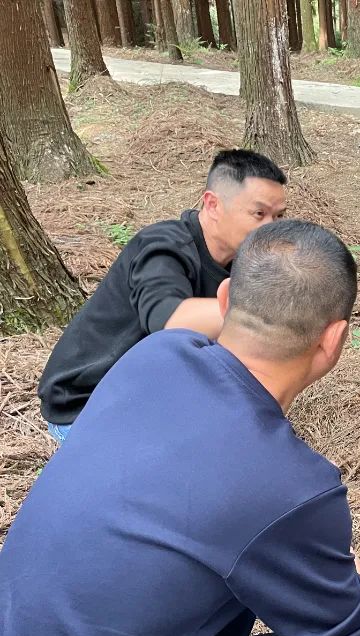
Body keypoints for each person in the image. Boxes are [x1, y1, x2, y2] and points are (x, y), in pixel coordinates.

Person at [0, 220, 360, 636]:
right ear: (334, 341)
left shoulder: (156, 355)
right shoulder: (292, 485)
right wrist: (355, 592)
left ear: (222, 300)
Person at [37, 149, 289, 443]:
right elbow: (170, 321)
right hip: (86, 406)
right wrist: (265, 305)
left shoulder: (243, 261)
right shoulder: (163, 247)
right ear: (213, 205)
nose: (271, 228)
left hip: (150, 397)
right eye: (259, 214)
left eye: (279, 216)